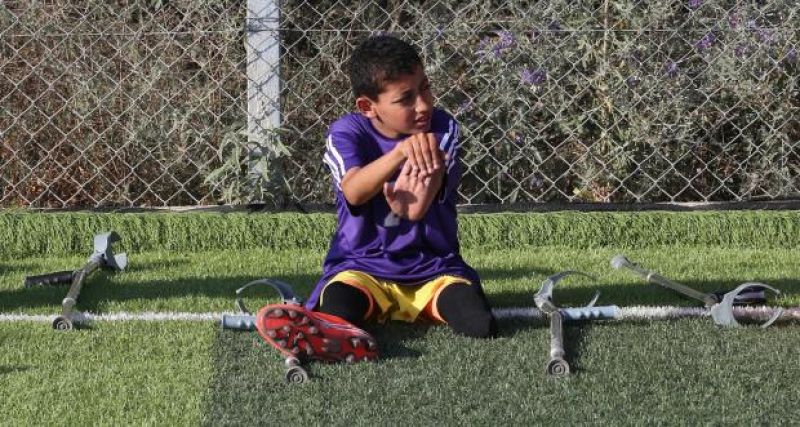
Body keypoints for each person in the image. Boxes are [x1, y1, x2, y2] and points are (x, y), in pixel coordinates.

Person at [256, 35, 496, 365]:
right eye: (406, 99)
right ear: (369, 107)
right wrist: (399, 153)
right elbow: (353, 189)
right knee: (339, 303)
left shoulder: (443, 127)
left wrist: (412, 205)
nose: (423, 105)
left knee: (479, 325)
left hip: (434, 269)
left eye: (425, 88)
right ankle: (337, 331)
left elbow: (426, 193)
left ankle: (351, 326)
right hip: (363, 268)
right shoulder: (347, 132)